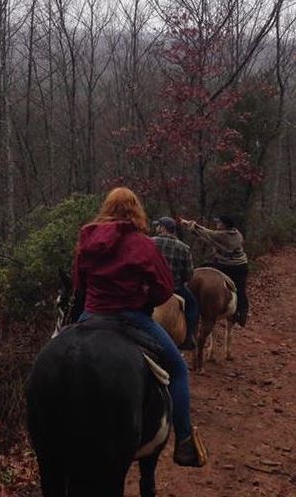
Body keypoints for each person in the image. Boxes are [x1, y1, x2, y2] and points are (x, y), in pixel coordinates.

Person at [72, 187, 207, 467]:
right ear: (136, 210)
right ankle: (184, 441)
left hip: (91, 316)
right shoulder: (143, 243)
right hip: (133, 317)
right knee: (179, 369)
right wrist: (145, 299)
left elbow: (78, 284)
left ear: (106, 208)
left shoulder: (87, 237)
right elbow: (164, 289)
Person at [179, 215, 249, 326]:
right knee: (240, 288)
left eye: (219, 223)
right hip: (235, 263)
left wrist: (189, 224)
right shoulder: (237, 234)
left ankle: (240, 313)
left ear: (224, 225)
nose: (217, 225)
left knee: (239, 288)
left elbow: (206, 233)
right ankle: (241, 312)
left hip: (234, 266)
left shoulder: (222, 236)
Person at [152, 216, 199, 351]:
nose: (157, 228)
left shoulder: (150, 242)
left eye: (158, 226)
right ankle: (188, 338)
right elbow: (189, 274)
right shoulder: (184, 248)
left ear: (163, 228)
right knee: (193, 305)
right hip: (175, 288)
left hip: (152, 286)